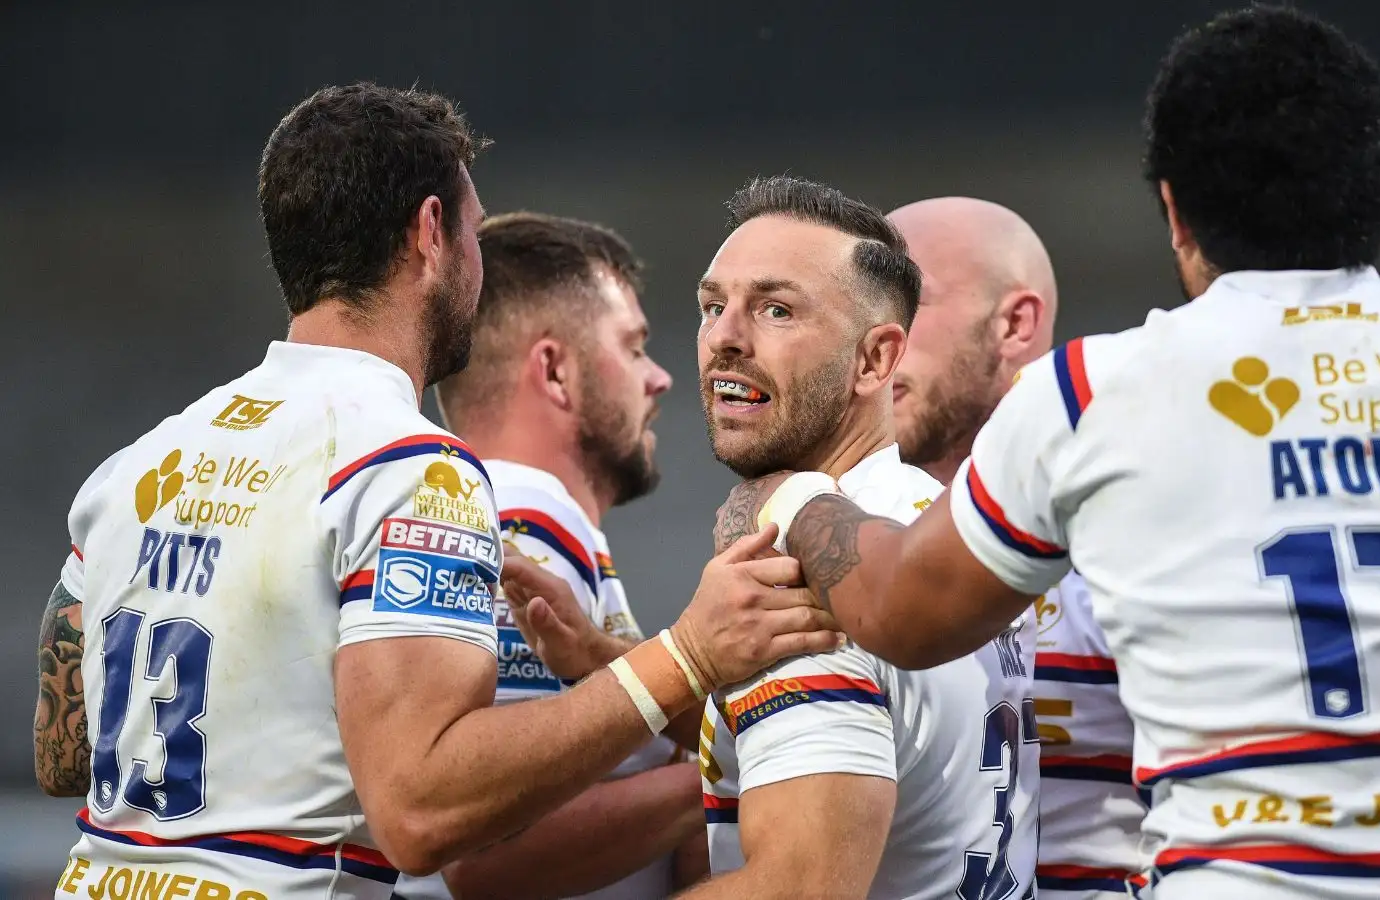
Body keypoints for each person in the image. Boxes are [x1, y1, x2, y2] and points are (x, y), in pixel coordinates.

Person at [731, 8, 1380, 898]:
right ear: (1378, 184)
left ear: (1175, 209)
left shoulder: (1099, 395)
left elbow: (903, 615)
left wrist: (798, 495)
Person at [32, 84, 837, 900]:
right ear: (430, 235)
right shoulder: (412, 470)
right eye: (473, 231)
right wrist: (688, 655)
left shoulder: (134, 467)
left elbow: (63, 755)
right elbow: (420, 816)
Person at [684, 175, 1038, 899]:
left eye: (776, 310)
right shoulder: (944, 529)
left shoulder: (803, 580)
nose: (723, 337)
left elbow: (798, 887)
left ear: (876, 360)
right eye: (712, 306)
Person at [409, 211, 702, 900]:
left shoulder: (488, 509)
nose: (659, 378)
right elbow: (484, 854)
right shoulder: (525, 516)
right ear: (556, 370)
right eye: (633, 348)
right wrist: (744, 772)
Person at [889, 196, 1145, 899]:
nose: (874, 340)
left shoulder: (1134, 516)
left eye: (906, 300)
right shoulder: (851, 526)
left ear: (1014, 323)